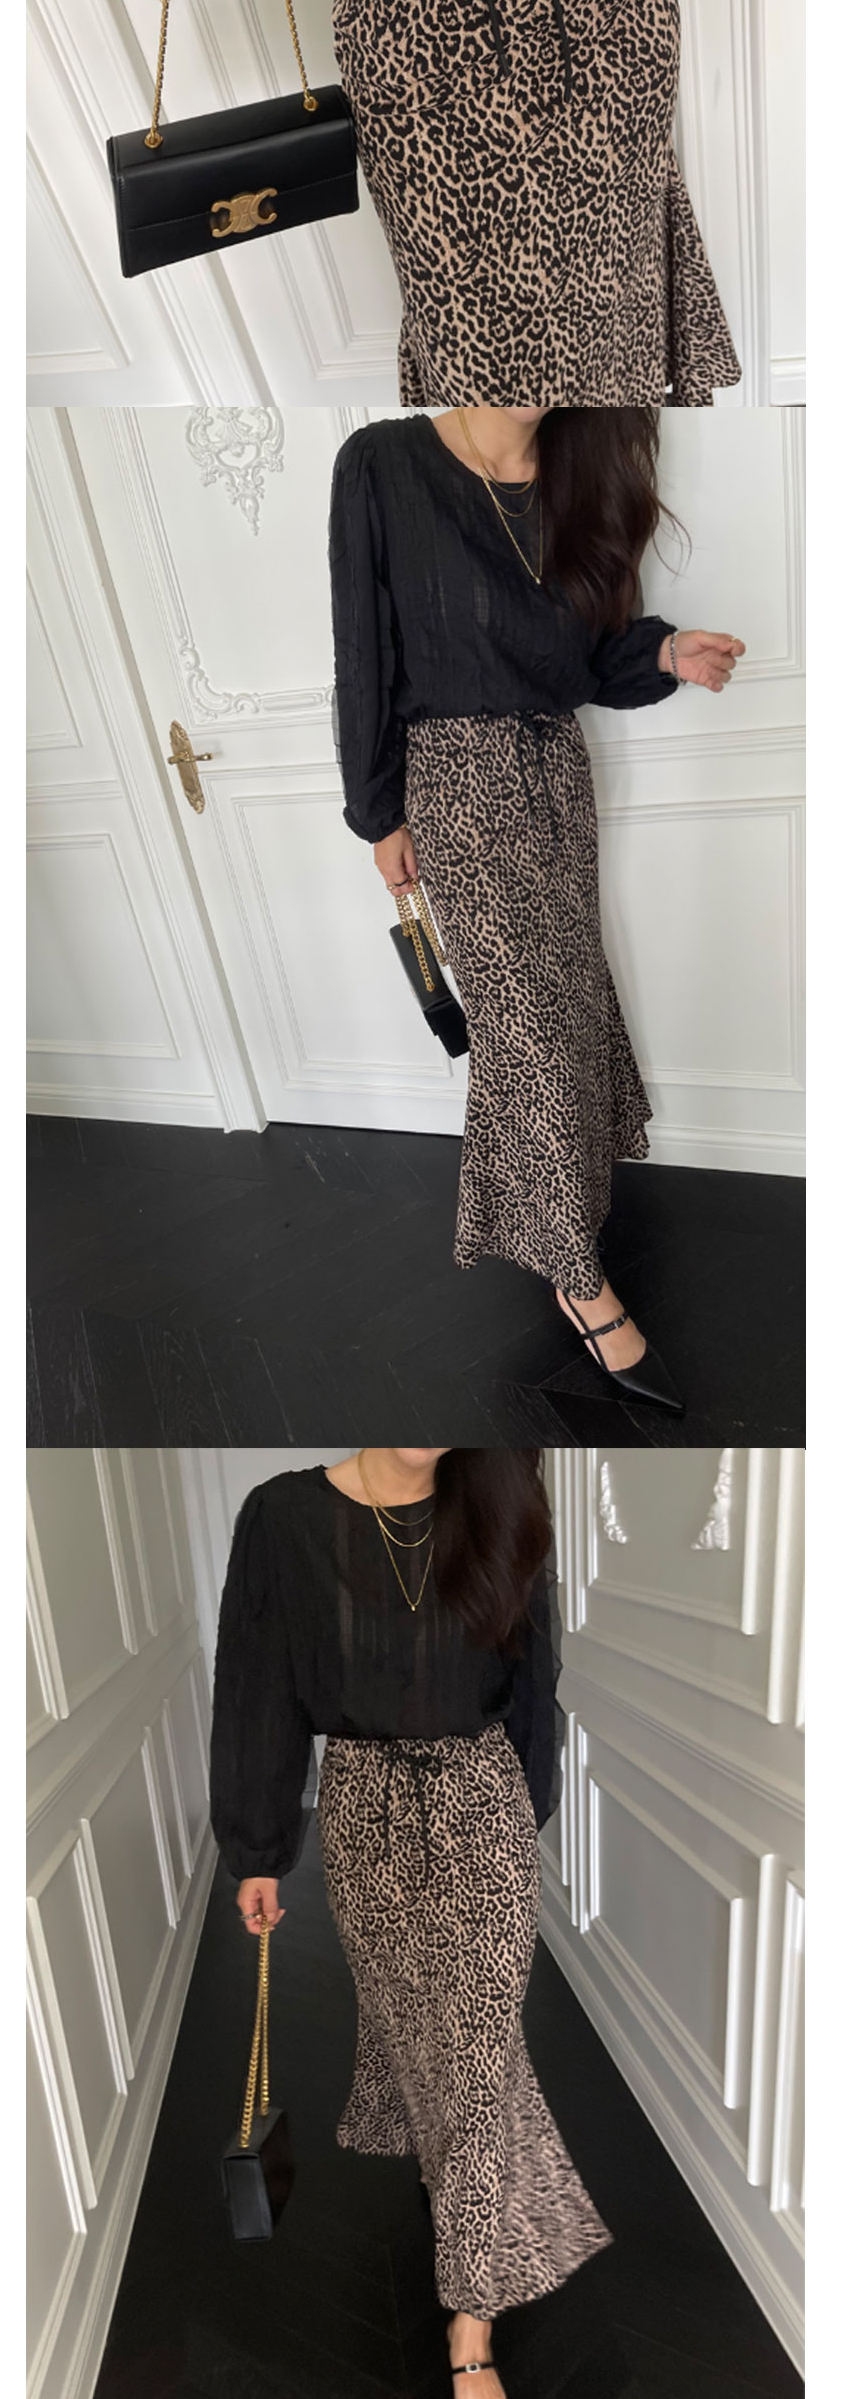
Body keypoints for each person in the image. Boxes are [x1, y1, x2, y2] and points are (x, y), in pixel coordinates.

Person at [329, 407, 745, 1421]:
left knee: (565, 1002)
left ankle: (560, 1201)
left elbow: (584, 659)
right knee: (525, 1035)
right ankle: (575, 1275)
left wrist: (664, 654)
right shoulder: (385, 462)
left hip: (557, 770)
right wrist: (379, 811)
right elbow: (363, 649)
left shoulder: (578, 474)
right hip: (455, 783)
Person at [209, 1446, 608, 2399]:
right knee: (412, 2024)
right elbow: (256, 1683)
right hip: (365, 1813)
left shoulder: (504, 1493)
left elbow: (536, 1674)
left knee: (478, 2054)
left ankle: (471, 2318)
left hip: (480, 1806)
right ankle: (448, 2168)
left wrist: (517, 1820)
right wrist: (259, 1849)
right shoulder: (284, 1519)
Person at [331, 0, 741, 413]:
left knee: (617, 284)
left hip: (616, 35)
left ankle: (612, 448)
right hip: (416, 48)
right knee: (465, 320)